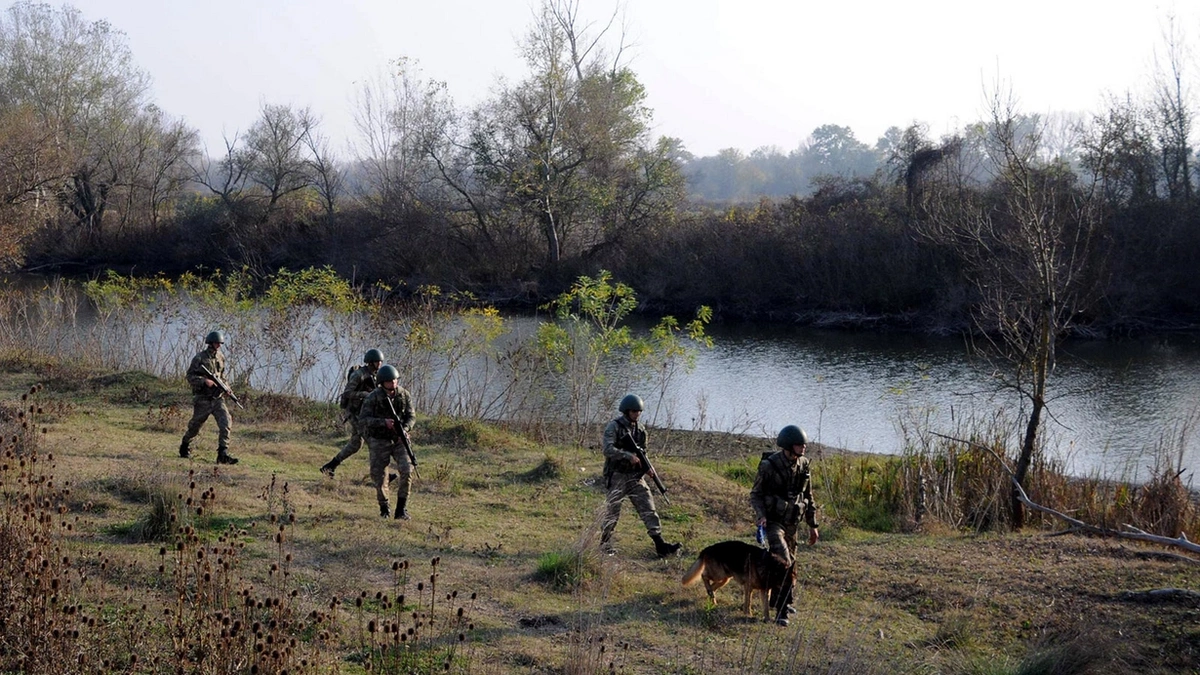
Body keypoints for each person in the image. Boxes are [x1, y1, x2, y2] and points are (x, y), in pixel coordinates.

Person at [749, 424, 820, 626]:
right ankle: (782, 612)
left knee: (792, 563)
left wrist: (813, 525)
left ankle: (780, 600)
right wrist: (761, 515)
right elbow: (756, 494)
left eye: (804, 444)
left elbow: (808, 496)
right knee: (784, 562)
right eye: (799, 445)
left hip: (793, 523)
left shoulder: (804, 465)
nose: (803, 448)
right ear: (789, 446)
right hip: (774, 522)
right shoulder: (769, 466)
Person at [599, 394, 681, 557]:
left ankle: (660, 544)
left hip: (635, 477)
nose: (637, 414)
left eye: (639, 411)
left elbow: (642, 452)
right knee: (612, 511)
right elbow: (607, 449)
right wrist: (627, 456)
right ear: (627, 411)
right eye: (634, 411)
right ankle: (605, 543)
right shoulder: (614, 427)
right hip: (617, 476)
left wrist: (646, 468)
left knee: (648, 508)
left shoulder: (640, 430)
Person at [358, 364, 416, 519]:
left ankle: (401, 509)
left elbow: (411, 417)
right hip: (379, 439)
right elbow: (363, 420)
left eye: (395, 380)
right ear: (382, 382)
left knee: (407, 470)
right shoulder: (373, 397)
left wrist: (404, 429)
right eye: (390, 381)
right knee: (379, 475)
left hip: (399, 439)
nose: (393, 384)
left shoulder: (404, 395)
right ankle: (384, 508)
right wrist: (383, 422)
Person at [320, 348, 384, 477]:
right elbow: (347, 393)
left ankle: (330, 466)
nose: (380, 364)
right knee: (373, 442)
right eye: (377, 362)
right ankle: (381, 474)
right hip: (354, 413)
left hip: (364, 413)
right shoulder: (359, 375)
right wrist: (364, 394)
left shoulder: (375, 375)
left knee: (355, 445)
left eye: (381, 362)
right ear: (371, 362)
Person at [179, 330, 238, 465]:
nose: (218, 345)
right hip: (203, 399)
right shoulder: (199, 358)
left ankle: (222, 454)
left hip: (217, 398)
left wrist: (227, 388)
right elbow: (190, 376)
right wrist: (204, 381)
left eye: (220, 343)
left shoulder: (221, 358)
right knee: (195, 426)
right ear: (210, 343)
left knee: (226, 423)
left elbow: (222, 376)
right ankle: (185, 445)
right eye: (216, 343)